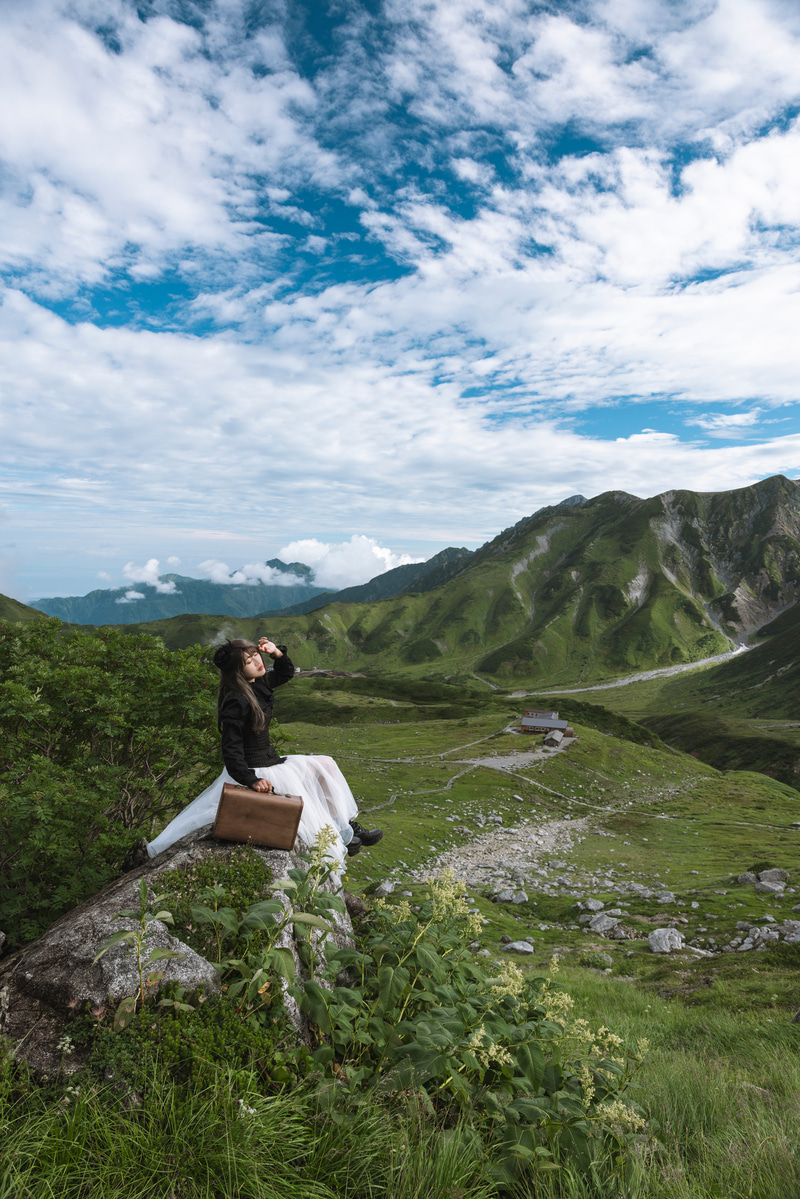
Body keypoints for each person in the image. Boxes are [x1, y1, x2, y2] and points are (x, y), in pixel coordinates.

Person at [146, 637, 382, 864]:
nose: (258, 662)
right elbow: (230, 750)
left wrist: (276, 652)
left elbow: (286, 673)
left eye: (255, 655)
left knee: (326, 764)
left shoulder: (258, 684)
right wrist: (251, 780)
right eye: (248, 662)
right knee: (306, 797)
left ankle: (348, 828)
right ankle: (344, 836)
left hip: (273, 761)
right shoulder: (236, 700)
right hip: (257, 770)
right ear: (238, 671)